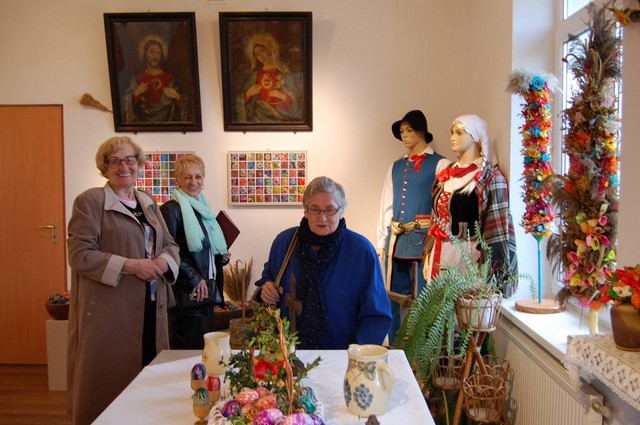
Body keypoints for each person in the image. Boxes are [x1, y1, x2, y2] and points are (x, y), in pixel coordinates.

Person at [67, 136, 179, 424]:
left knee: (148, 373)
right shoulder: (91, 201)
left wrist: (163, 262)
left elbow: (169, 244)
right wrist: (131, 266)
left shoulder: (147, 201)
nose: (123, 167)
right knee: (110, 383)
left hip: (152, 305)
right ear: (104, 168)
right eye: (114, 161)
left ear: (138, 163)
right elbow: (80, 255)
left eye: (129, 160)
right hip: (112, 310)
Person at [254, 176, 392, 349]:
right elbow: (267, 279)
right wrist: (266, 289)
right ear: (305, 211)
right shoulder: (284, 242)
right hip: (288, 354)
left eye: (329, 210)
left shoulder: (361, 251)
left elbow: (376, 315)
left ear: (341, 211)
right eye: (315, 209)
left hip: (343, 355)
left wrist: (359, 354)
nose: (322, 217)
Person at [423, 114, 518, 294]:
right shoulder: (447, 174)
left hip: (466, 256)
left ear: (475, 137)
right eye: (452, 132)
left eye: (459, 133)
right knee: (437, 306)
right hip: (439, 252)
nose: (452, 138)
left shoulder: (489, 177)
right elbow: (435, 217)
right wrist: (428, 252)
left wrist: (490, 270)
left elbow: (497, 230)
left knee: (461, 305)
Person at [377, 110, 450, 343]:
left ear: (421, 131)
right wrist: (381, 241)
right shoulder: (395, 167)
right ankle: (396, 347)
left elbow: (444, 208)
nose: (404, 135)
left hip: (425, 243)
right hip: (396, 242)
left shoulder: (441, 164)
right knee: (393, 297)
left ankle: (423, 352)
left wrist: (440, 245)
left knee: (425, 298)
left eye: (409, 130)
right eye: (401, 131)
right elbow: (386, 205)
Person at [160, 154, 231, 349]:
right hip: (187, 296)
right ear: (178, 180)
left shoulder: (203, 210)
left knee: (205, 353)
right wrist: (194, 279)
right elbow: (169, 251)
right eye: (188, 177)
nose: (194, 182)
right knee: (188, 354)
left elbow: (204, 251)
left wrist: (220, 256)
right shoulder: (171, 209)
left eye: (198, 177)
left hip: (206, 294)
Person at [236, 32, 302, 123]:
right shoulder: (255, 76)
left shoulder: (284, 73)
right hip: (259, 118)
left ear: (270, 49)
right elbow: (241, 100)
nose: (261, 56)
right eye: (257, 54)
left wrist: (281, 96)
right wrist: (248, 94)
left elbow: (296, 102)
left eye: (263, 51)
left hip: (280, 119)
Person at [122, 38, 189, 123]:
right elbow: (125, 102)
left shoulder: (169, 78)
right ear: (145, 54)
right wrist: (136, 93)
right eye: (152, 52)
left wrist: (177, 96)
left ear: (161, 56)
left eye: (158, 53)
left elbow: (184, 102)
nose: (155, 56)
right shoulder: (137, 79)